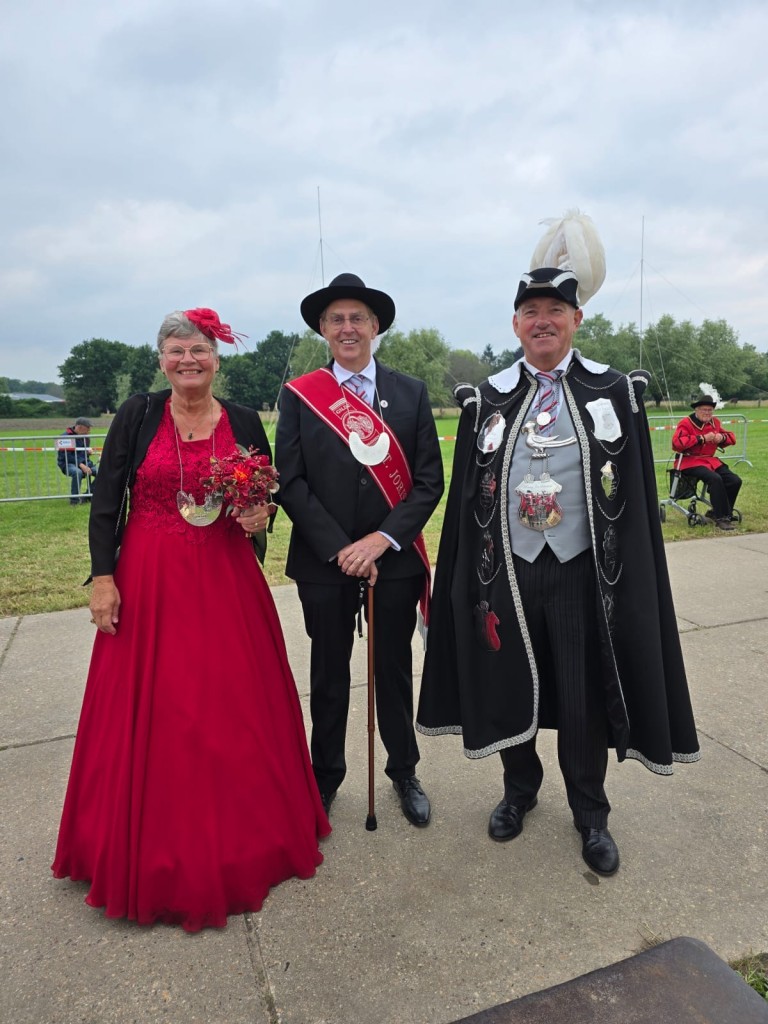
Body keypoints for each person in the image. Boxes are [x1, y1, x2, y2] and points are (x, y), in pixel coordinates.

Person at [416, 265, 700, 876]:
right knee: (509, 683)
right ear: (515, 324)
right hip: (506, 570)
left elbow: (634, 495)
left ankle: (590, 813)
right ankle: (519, 790)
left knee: (580, 694)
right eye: (531, 312)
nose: (542, 321)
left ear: (576, 319)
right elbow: (468, 495)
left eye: (554, 311)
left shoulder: (612, 391)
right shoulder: (488, 397)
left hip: (582, 572)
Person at [53, 308, 329, 932]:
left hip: (226, 578)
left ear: (216, 359)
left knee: (232, 704)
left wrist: (260, 516)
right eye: (176, 350)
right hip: (149, 577)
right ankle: (141, 847)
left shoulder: (243, 420)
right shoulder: (137, 415)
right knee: (158, 706)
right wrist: (103, 579)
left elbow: (261, 498)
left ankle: (247, 838)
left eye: (199, 350)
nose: (188, 360)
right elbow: (106, 500)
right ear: (162, 360)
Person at [275, 273, 444, 826]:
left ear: (375, 327)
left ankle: (404, 770)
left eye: (357, 318)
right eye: (336, 319)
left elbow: (428, 482)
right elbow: (291, 481)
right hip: (323, 562)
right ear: (324, 330)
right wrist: (341, 548)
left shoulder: (411, 392)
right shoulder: (301, 395)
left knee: (393, 670)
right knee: (328, 674)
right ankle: (324, 777)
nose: (347, 328)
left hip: (392, 558)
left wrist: (379, 541)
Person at [672, 395, 741, 530]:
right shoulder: (686, 423)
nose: (707, 413)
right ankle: (721, 518)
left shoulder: (715, 422)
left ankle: (720, 513)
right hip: (689, 461)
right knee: (715, 478)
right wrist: (701, 438)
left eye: (710, 410)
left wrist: (722, 437)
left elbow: (731, 438)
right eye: (704, 410)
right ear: (697, 410)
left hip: (709, 461)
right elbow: (677, 443)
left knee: (734, 480)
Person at [57, 416, 98, 504]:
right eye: (87, 428)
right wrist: (81, 465)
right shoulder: (65, 437)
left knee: (102, 472)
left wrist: (87, 452)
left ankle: (88, 495)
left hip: (84, 462)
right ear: (79, 427)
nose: (89, 431)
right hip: (68, 463)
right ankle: (74, 500)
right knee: (77, 472)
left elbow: (81, 452)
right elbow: (67, 456)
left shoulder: (85, 437)